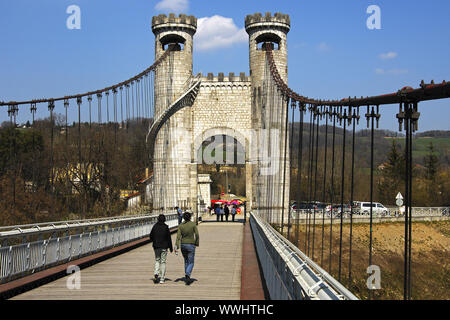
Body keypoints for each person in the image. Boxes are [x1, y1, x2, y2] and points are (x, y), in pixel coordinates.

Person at [175, 212, 199, 285]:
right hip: (191, 244)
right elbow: (197, 235)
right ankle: (188, 274)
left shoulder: (181, 226)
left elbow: (178, 237)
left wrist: (177, 246)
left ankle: (186, 275)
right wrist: (196, 243)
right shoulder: (193, 224)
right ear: (190, 217)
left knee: (186, 260)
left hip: (183, 244)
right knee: (191, 262)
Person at [149, 214, 173, 284]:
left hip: (156, 246)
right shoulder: (166, 227)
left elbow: (150, 236)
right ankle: (162, 278)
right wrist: (170, 248)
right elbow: (169, 238)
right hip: (164, 247)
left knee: (157, 260)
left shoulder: (155, 226)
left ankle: (156, 272)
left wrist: (154, 241)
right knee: (163, 262)